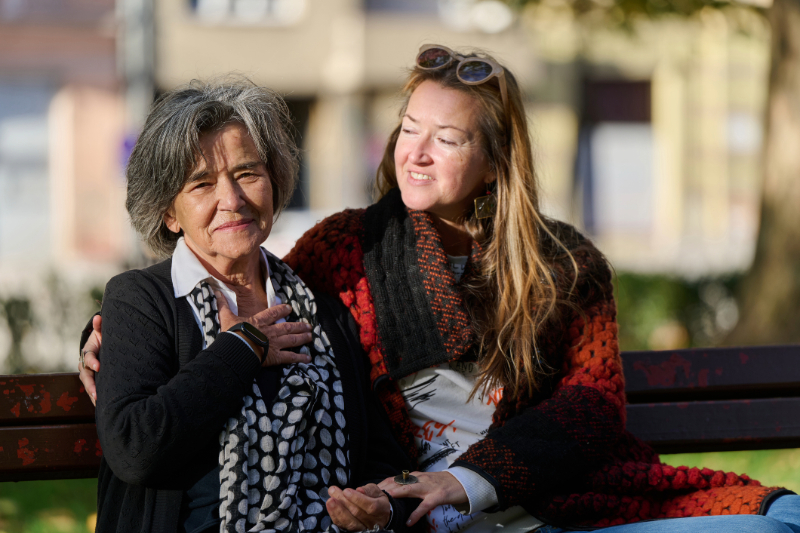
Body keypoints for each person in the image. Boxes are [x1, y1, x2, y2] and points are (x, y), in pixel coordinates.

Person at [81, 48, 799, 532]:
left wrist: (456, 483)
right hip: (431, 516)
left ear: (495, 161)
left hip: (544, 500)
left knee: (781, 518)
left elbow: (589, 406)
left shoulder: (563, 266)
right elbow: (205, 296)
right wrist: (105, 337)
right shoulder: (345, 251)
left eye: (448, 139)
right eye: (408, 130)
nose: (415, 154)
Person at [86, 78, 419, 533]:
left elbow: (381, 456)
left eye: (247, 174)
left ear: (274, 183)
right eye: (202, 183)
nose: (232, 199)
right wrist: (241, 349)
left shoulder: (322, 313)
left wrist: (383, 507)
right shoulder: (141, 300)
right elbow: (135, 449)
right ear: (169, 213)